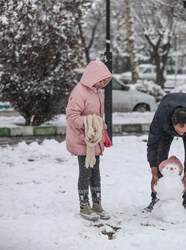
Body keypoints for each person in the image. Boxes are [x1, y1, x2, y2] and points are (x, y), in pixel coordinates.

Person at [66, 60, 113, 221]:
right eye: (100, 79)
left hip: (95, 141)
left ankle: (97, 204)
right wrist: (89, 124)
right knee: (85, 172)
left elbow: (98, 117)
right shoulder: (79, 92)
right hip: (82, 140)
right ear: (92, 77)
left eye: (104, 80)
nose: (102, 83)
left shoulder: (97, 92)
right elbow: (72, 117)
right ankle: (84, 205)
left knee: (95, 173)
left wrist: (102, 129)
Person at [145, 93, 186, 216]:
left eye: (184, 132)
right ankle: (157, 197)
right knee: (160, 158)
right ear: (173, 123)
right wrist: (154, 170)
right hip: (165, 127)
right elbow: (152, 144)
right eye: (178, 131)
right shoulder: (161, 117)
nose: (181, 135)